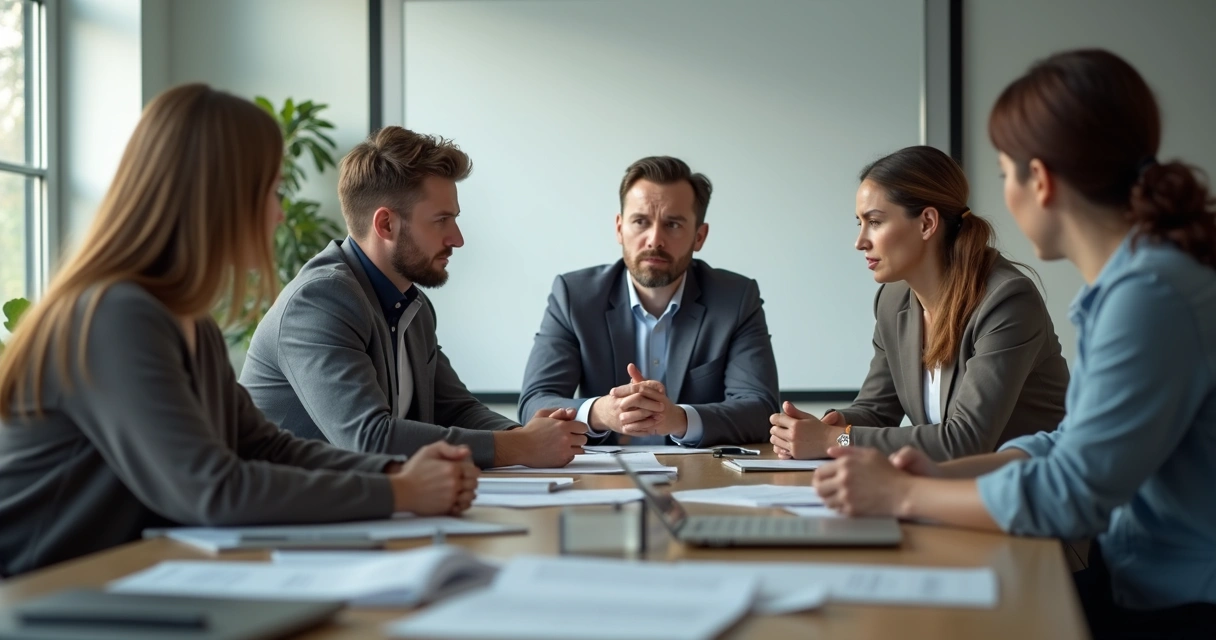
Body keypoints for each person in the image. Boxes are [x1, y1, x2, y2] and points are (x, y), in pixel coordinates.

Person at [813, 49, 1216, 639]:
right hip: (1142, 581)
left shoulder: (1148, 297)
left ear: (1042, 180)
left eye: (1004, 173)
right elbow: (1068, 442)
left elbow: (1072, 495)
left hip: (1181, 604)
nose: (1002, 192)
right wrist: (939, 476)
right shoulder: (1132, 285)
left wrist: (905, 492)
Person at [0, 85, 478, 578]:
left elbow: (264, 447)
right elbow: (213, 489)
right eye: (270, 190)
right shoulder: (114, 315)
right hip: (38, 596)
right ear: (217, 197)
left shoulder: (187, 321)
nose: (278, 213)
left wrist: (395, 471)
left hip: (118, 581)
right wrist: (399, 491)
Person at [240, 126, 586, 469]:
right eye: (442, 220)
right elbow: (369, 438)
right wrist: (518, 446)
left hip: (358, 508)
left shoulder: (412, 304)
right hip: (288, 517)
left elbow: (455, 408)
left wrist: (528, 434)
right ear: (386, 225)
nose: (457, 238)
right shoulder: (319, 301)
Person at [770, 146, 1068, 461]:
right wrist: (825, 427)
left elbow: (965, 440)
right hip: (945, 490)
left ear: (926, 223)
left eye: (875, 222)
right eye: (859, 223)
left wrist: (835, 440)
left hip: (1031, 494)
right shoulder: (892, 301)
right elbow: (875, 411)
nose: (860, 242)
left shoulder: (1006, 301)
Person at [519, 156, 779, 447]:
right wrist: (600, 413)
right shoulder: (574, 296)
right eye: (641, 222)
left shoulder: (736, 298)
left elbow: (760, 409)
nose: (655, 239)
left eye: (673, 224)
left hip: (702, 478)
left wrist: (679, 418)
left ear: (699, 236)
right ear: (619, 228)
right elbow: (534, 403)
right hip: (603, 480)